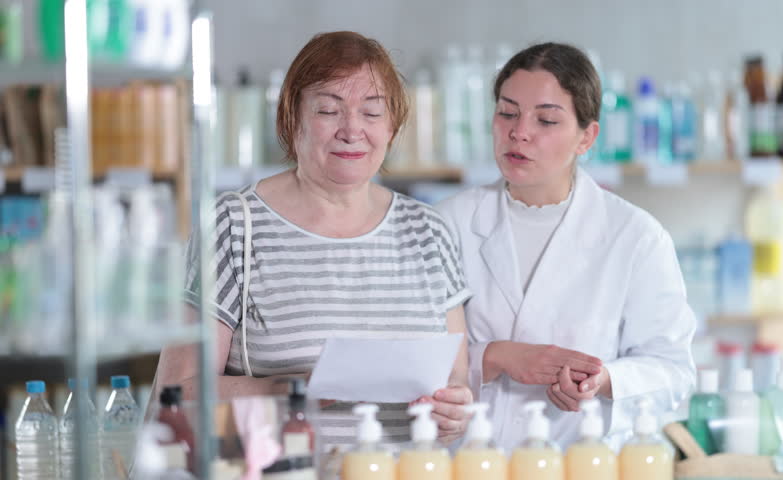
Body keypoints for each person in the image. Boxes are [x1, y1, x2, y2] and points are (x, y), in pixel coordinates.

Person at [154, 31, 473, 448]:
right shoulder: (233, 225)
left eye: (372, 112)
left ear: (392, 126)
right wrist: (293, 390)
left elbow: (457, 381)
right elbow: (175, 394)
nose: (352, 130)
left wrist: (453, 413)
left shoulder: (429, 230)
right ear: (291, 119)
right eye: (328, 110)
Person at [436, 42, 696, 450]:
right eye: (507, 113)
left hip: (580, 463)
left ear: (586, 137)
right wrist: (494, 357)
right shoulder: (445, 224)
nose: (519, 132)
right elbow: (411, 357)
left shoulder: (635, 237)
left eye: (546, 120)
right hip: (468, 465)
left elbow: (674, 371)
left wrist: (605, 380)